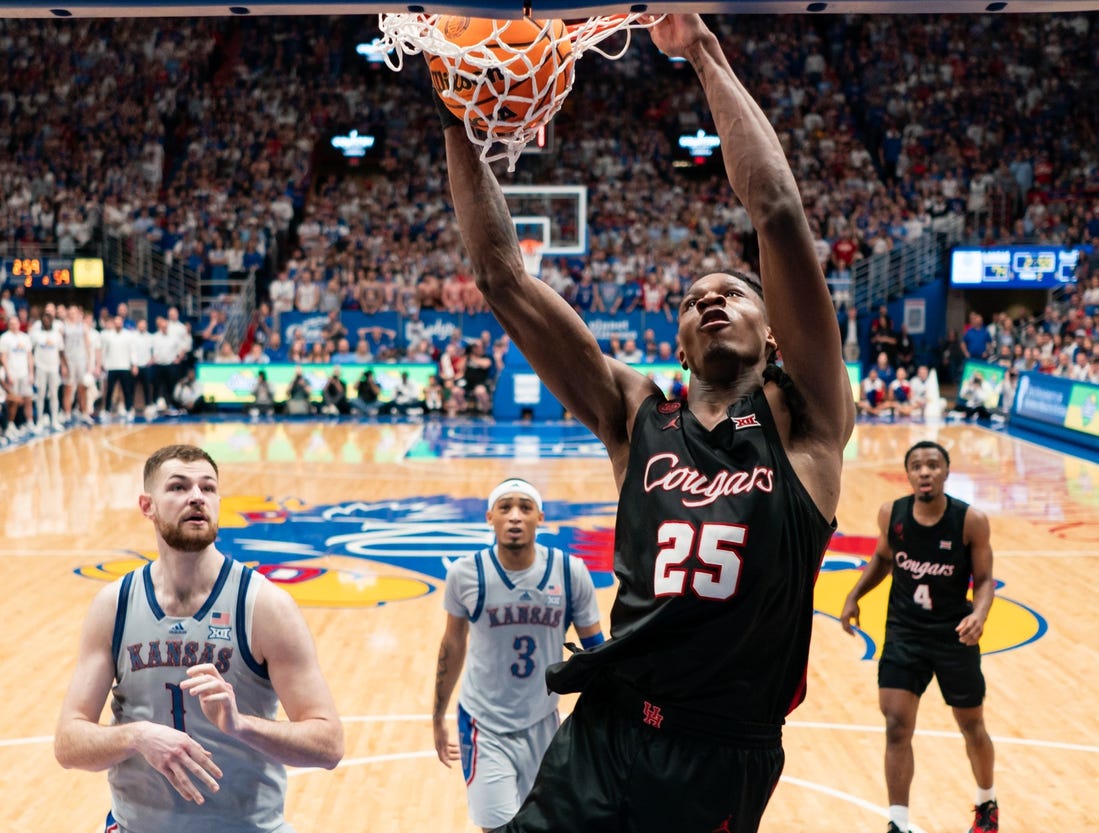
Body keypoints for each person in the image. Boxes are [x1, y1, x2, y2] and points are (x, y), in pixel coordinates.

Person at [438, 14, 855, 833]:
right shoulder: (635, 415)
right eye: (694, 296)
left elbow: (772, 205)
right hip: (606, 731)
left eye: (732, 291)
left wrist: (699, 48)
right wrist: (458, 108)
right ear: (675, 339)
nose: (710, 296)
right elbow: (500, 277)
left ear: (773, 333)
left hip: (720, 752)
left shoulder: (807, 423)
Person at [54, 444, 344, 833]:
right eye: (178, 487)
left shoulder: (264, 606)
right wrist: (137, 736)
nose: (196, 497)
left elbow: (328, 744)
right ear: (147, 506)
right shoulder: (115, 605)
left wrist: (241, 725)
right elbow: (69, 743)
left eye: (207, 488)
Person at [839, 441, 998, 833]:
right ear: (907, 474)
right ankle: (899, 821)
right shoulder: (891, 515)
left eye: (932, 465)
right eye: (916, 466)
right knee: (895, 724)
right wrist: (854, 595)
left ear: (946, 471)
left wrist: (979, 613)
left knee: (971, 725)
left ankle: (986, 803)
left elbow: (984, 580)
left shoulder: (970, 521)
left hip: (952, 635)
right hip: (905, 632)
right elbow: (882, 558)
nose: (924, 472)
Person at [433, 479, 604, 831]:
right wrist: (438, 716)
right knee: (497, 826)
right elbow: (451, 646)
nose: (515, 516)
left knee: (540, 824)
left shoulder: (570, 573)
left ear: (540, 517)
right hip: (483, 723)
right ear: (489, 517)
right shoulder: (466, 574)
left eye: (525, 508)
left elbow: (597, 651)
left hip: (542, 720)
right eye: (505, 508)